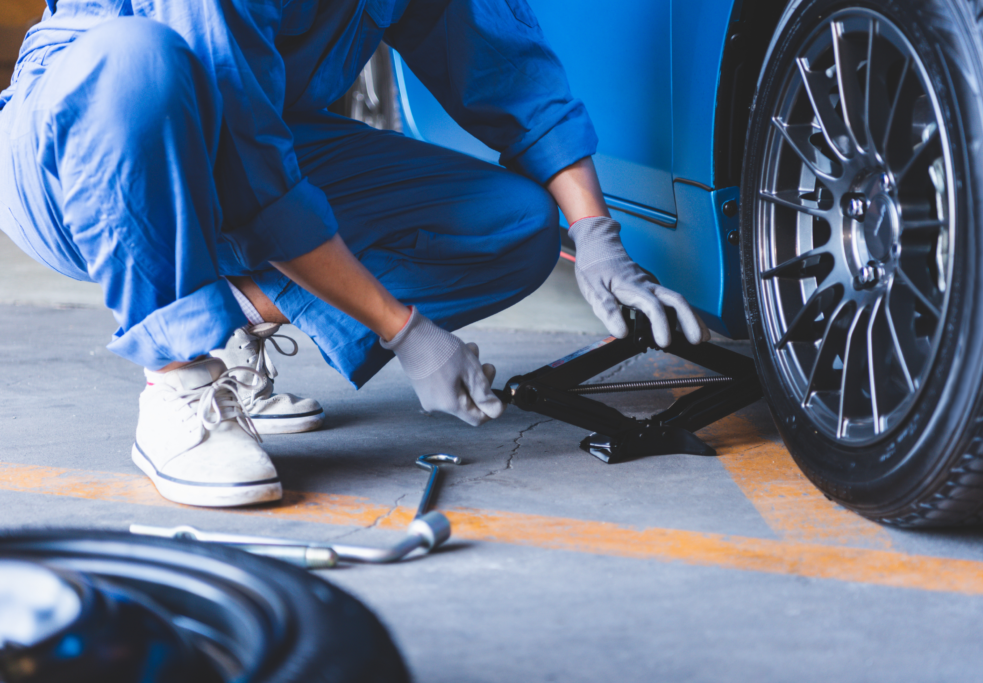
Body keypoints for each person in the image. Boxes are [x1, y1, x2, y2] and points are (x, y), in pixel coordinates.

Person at [0, 0, 709, 508]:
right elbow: (250, 178)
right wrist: (401, 326)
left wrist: (594, 235)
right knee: (138, 60)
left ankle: (222, 321)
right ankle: (177, 376)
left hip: (259, 140)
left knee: (516, 223)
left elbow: (511, 74)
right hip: (84, 152)